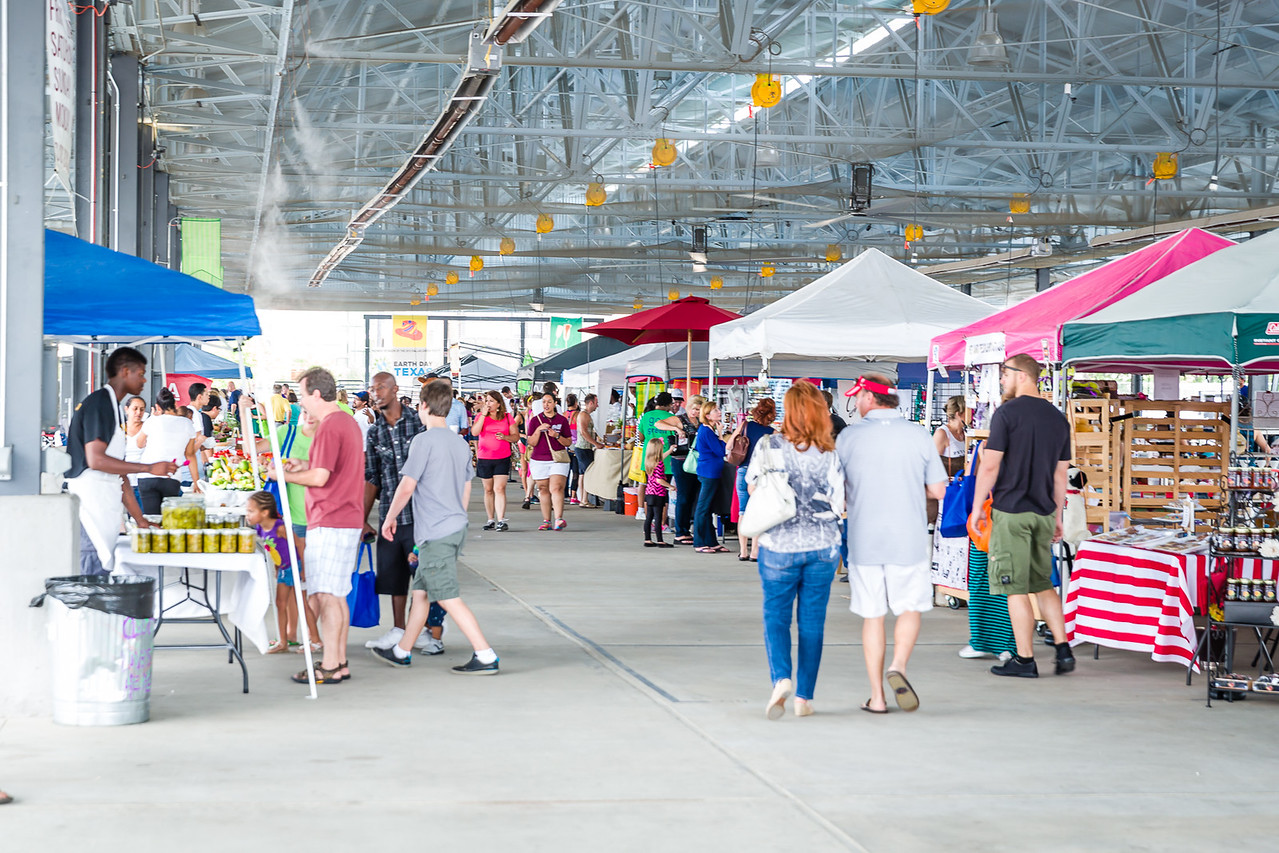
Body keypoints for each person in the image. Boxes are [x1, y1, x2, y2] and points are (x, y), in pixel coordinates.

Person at [370, 379, 500, 674]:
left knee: (445, 595)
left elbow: (407, 485)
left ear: (423, 406)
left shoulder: (423, 441)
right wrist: (457, 516)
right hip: (452, 527)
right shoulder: (458, 442)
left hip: (436, 531)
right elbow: (467, 487)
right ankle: (402, 650)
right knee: (422, 593)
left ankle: (485, 654)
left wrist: (389, 518)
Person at [838, 374, 948, 714]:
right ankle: (898, 665)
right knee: (909, 607)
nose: (856, 403)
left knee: (873, 616)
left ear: (871, 398)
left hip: (865, 539)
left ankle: (878, 697)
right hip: (909, 537)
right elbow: (939, 490)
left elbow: (836, 490)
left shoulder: (849, 437)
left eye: (858, 397)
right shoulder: (918, 435)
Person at [969, 354, 1076, 679]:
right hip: (1043, 513)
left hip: (1012, 513)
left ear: (1023, 376)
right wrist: (1057, 516)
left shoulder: (1007, 414)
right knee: (1042, 584)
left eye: (1005, 374)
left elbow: (990, 465)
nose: (1002, 380)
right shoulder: (1058, 419)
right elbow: (1061, 476)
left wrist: (976, 508)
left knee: (1015, 587)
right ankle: (1063, 650)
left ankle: (1025, 659)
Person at [747, 381, 845, 719]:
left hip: (778, 544)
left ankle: (781, 679)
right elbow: (839, 500)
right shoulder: (830, 451)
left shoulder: (768, 444)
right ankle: (804, 697)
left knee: (775, 615)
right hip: (822, 545)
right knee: (812, 623)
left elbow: (753, 485)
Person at [277, 367, 365, 686]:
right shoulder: (346, 421)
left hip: (330, 517)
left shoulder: (329, 426)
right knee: (336, 596)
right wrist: (302, 465)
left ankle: (329, 664)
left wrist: (283, 475)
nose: (300, 402)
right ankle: (338, 661)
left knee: (327, 595)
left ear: (316, 394)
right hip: (344, 517)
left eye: (301, 394)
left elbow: (320, 478)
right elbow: (327, 469)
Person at [65, 347, 175, 574]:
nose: (145, 380)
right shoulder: (100, 403)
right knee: (92, 579)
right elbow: (96, 460)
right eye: (141, 373)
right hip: (90, 507)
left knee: (103, 575)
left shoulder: (112, 408)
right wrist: (149, 467)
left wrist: (140, 520)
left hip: (106, 507)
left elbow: (120, 474)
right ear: (125, 372)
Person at [363, 372, 447, 655]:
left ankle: (426, 633)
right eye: (372, 389)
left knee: (425, 578)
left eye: (381, 388)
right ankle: (399, 631)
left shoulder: (418, 424)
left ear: (395, 390)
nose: (376, 393)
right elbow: (372, 477)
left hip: (422, 515)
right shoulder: (374, 432)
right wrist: (362, 519)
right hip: (390, 515)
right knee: (393, 577)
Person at [252, 398, 321, 653]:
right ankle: (290, 634)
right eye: (305, 411)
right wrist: (248, 413)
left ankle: (312, 636)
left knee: (308, 585)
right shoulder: (287, 432)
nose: (309, 416)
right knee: (290, 582)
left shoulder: (328, 439)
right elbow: (255, 447)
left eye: (313, 412)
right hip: (291, 518)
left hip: (319, 519)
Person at [246, 490, 297, 654]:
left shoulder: (280, 528)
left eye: (250, 511)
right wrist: (277, 567)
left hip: (293, 568)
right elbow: (274, 550)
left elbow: (299, 545)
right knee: (283, 603)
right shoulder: (261, 529)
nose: (247, 514)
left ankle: (292, 640)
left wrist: (300, 569)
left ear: (265, 512)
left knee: (289, 603)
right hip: (283, 569)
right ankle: (284, 639)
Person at [135, 388, 201, 514]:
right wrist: (196, 482)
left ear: (158, 407)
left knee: (151, 520)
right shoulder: (187, 423)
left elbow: (139, 443)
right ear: (175, 404)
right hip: (172, 477)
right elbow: (190, 455)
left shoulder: (152, 421)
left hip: (147, 476)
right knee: (169, 520)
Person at [731, 398, 776, 561]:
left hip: (742, 471)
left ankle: (743, 551)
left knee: (743, 511)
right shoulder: (772, 433)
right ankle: (755, 552)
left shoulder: (744, 426)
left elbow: (729, 446)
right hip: (760, 475)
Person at [472, 390, 518, 531]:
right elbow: (474, 432)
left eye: (491, 401)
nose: (488, 403)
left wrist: (505, 437)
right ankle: (490, 518)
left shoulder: (507, 417)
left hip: (502, 457)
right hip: (485, 457)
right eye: (487, 401)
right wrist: (483, 415)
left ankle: (501, 519)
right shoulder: (481, 416)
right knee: (488, 489)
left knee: (499, 488)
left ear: (498, 404)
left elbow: (515, 436)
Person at [526, 392, 573, 530]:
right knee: (543, 489)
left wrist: (556, 435)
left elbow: (568, 441)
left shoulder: (562, 420)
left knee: (556, 487)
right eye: (544, 402)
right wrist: (538, 430)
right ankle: (547, 520)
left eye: (549, 402)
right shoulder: (535, 420)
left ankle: (558, 518)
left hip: (558, 459)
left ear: (555, 403)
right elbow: (531, 442)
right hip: (539, 459)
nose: (546, 405)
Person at [693, 401, 728, 553]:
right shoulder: (707, 431)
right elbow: (721, 451)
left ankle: (711, 541)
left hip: (711, 471)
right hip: (709, 472)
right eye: (715, 410)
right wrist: (721, 434)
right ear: (707, 416)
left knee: (707, 509)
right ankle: (699, 542)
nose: (719, 412)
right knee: (703, 508)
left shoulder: (708, 430)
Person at [668, 395, 704, 545]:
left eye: (699, 410)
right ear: (689, 407)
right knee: (683, 495)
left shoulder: (702, 422)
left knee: (695, 495)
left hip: (696, 461)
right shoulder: (680, 419)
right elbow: (659, 424)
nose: (696, 412)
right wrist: (676, 428)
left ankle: (689, 528)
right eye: (694, 409)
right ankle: (681, 531)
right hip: (681, 460)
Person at [642, 438, 675, 548]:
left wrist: (670, 450)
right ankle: (660, 541)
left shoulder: (648, 461)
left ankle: (648, 539)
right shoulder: (659, 464)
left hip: (649, 493)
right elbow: (659, 480)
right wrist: (670, 486)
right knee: (658, 518)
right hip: (658, 493)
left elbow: (661, 458)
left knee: (649, 518)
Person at [574, 394, 606, 506]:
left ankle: (583, 498)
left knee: (584, 473)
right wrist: (596, 444)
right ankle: (584, 499)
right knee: (587, 473)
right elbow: (583, 432)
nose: (597, 406)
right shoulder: (583, 415)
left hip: (584, 448)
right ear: (591, 403)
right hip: (583, 448)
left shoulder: (586, 415)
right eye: (596, 403)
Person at [123, 395, 148, 509]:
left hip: (142, 482)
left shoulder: (148, 428)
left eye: (142, 409)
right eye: (135, 408)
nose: (139, 412)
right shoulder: (118, 429)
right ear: (126, 409)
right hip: (123, 483)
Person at [564, 394, 582, 505]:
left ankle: (564, 494)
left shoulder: (563, 415)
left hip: (565, 445)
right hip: (576, 445)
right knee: (575, 471)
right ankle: (573, 496)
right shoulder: (578, 415)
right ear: (576, 403)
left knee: (565, 472)